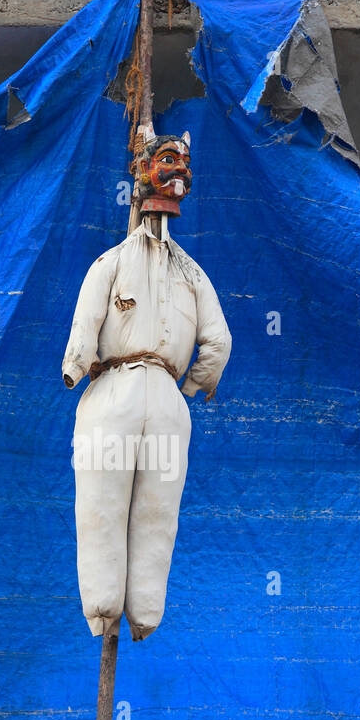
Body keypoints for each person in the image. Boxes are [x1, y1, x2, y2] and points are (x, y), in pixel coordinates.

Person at [62, 132, 232, 640]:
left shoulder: (109, 262)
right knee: (158, 515)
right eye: (167, 160)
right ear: (144, 170)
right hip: (166, 403)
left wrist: (76, 367)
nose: (178, 171)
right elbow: (219, 342)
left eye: (182, 161)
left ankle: (102, 608)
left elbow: (83, 329)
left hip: (114, 393)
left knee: (102, 506)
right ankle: (144, 615)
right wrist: (189, 389)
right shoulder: (194, 273)